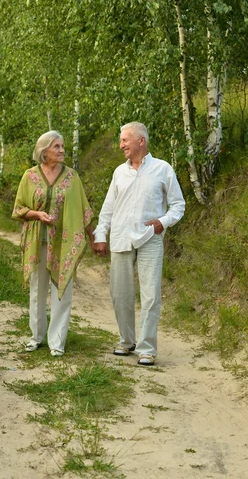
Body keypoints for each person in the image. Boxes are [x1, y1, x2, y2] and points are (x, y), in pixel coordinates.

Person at [93, 122, 185, 366]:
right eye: (121, 140)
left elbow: (178, 205)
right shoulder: (119, 172)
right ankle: (127, 341)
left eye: (125, 140)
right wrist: (100, 234)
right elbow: (108, 208)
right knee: (120, 294)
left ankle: (147, 349)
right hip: (121, 237)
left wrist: (163, 223)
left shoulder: (162, 169)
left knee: (150, 294)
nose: (121, 144)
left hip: (150, 238)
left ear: (140, 141)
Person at [12, 130, 94, 357]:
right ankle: (36, 337)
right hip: (38, 240)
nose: (61, 150)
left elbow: (84, 210)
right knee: (37, 289)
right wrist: (38, 215)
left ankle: (57, 342)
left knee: (62, 289)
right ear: (44, 151)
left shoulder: (71, 177)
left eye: (62, 146)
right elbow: (19, 209)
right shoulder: (29, 176)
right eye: (56, 146)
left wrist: (94, 237)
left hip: (63, 243)